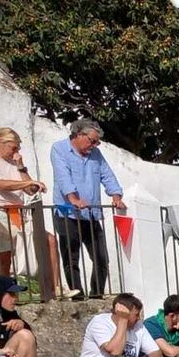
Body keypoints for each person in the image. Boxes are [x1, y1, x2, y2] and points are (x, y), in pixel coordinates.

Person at [50, 118, 125, 298]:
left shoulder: (96, 154)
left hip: (90, 213)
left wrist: (116, 196)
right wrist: (73, 198)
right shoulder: (59, 149)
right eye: (92, 140)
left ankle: (96, 294)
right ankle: (77, 295)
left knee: (101, 258)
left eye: (97, 141)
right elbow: (63, 177)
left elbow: (107, 175)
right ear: (78, 134)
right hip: (67, 212)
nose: (95, 145)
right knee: (71, 258)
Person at [0, 128, 53, 280]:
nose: (16, 151)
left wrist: (21, 167)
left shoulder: (14, 163)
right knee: (4, 256)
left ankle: (54, 288)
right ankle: (4, 294)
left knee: (49, 241)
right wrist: (30, 182)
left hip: (18, 212)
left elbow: (31, 190)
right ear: (0, 143)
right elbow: (1, 184)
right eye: (14, 147)